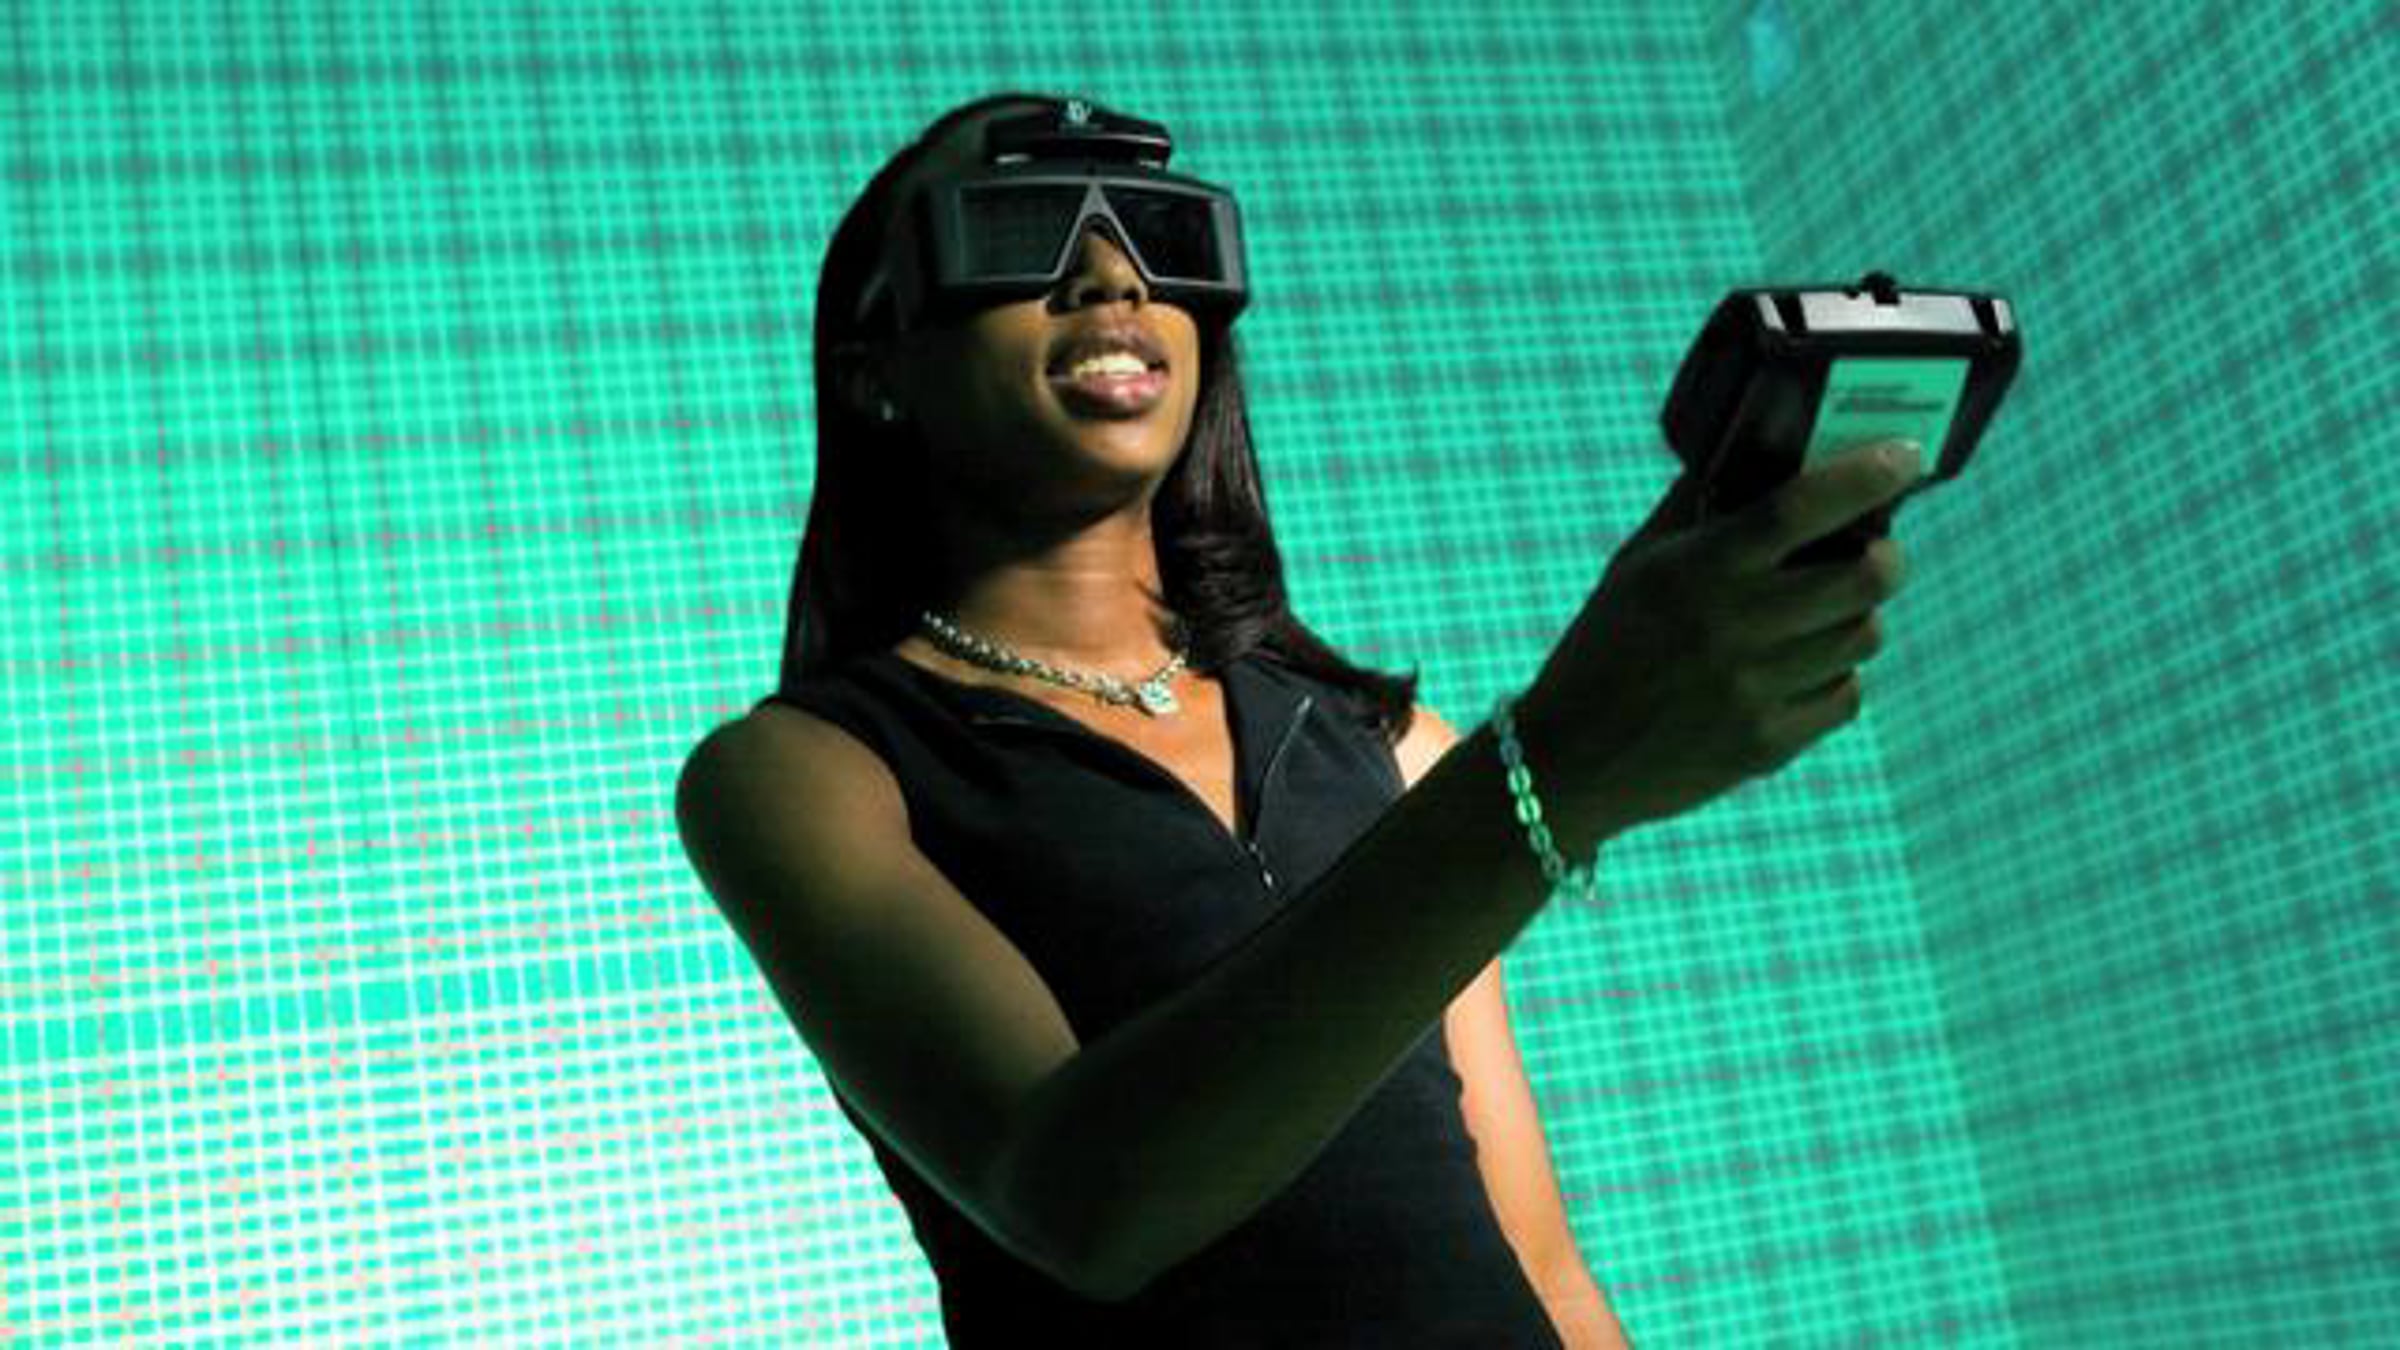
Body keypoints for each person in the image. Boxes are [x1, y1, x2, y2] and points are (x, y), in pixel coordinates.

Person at [676, 90, 1919, 1348]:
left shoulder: (1394, 746)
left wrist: (1529, 775)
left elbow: (1539, 1263)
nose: (1111, 273)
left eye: (1162, 232)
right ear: (877, 369)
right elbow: (1080, 1201)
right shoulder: (803, 776)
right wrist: (1547, 773)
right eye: (1015, 227)